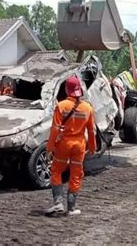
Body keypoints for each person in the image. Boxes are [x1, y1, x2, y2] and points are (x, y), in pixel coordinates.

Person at [45, 76, 97, 216]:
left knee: (56, 171)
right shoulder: (88, 108)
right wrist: (92, 147)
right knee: (76, 174)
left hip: (63, 144)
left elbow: (55, 129)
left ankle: (58, 203)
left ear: (67, 89)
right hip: (79, 146)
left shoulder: (61, 106)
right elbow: (91, 131)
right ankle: (72, 209)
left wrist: (49, 148)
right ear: (79, 89)